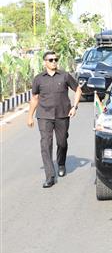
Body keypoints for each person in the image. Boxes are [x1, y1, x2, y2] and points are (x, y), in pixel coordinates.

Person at [26, 51, 83, 187]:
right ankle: (50, 176)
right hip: (44, 116)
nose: (53, 62)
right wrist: (30, 117)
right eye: (50, 60)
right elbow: (34, 98)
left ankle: (61, 163)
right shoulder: (38, 79)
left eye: (55, 59)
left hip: (62, 114)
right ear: (44, 62)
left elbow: (78, 90)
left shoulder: (64, 76)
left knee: (62, 142)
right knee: (46, 144)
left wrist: (74, 107)